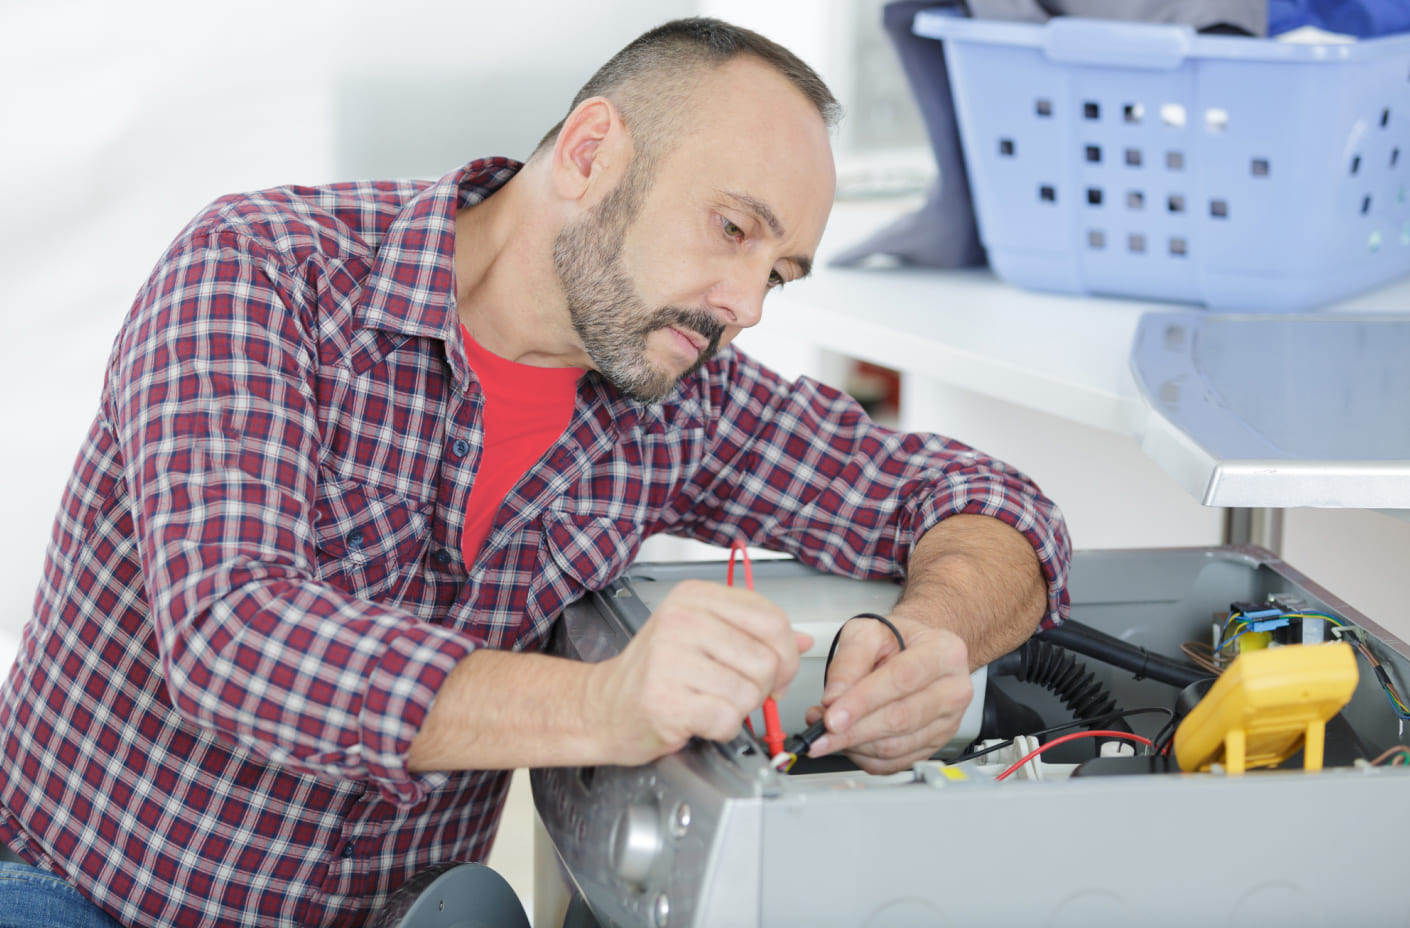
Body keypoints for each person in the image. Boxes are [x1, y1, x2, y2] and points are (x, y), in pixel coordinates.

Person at [0, 16, 1070, 928]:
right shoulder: (260, 272)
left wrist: (936, 635)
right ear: (591, 153)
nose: (744, 302)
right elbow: (234, 639)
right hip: (84, 892)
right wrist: (608, 702)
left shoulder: (679, 393)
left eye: (776, 273)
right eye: (732, 228)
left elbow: (993, 505)